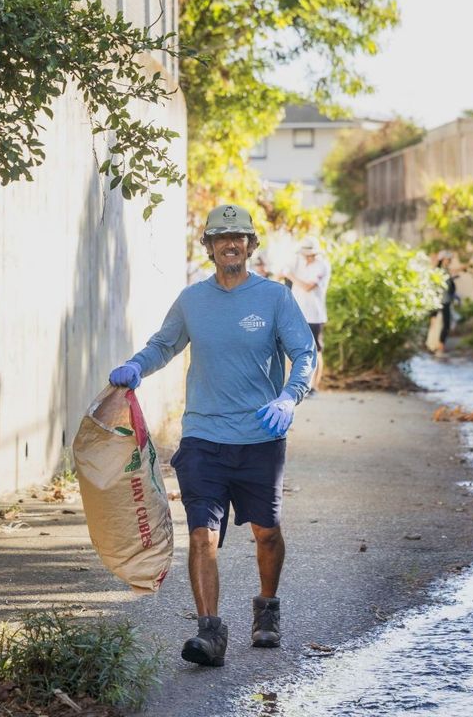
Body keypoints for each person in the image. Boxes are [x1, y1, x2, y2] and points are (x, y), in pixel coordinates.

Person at [108, 204, 315, 668]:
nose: (231, 244)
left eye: (239, 237)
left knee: (267, 533)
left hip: (261, 435)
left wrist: (289, 397)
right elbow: (165, 344)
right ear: (208, 247)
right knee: (202, 535)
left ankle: (267, 608)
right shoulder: (191, 301)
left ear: (251, 245)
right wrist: (139, 365)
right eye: (221, 238)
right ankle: (210, 631)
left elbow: (304, 352)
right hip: (203, 435)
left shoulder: (275, 299)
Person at [283, 236, 331, 393]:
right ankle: (292, 382)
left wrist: (290, 276)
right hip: (296, 313)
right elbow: (280, 272)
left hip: (315, 315)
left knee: (316, 350)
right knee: (291, 348)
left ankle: (314, 386)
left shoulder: (322, 265)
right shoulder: (298, 262)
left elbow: (308, 286)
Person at [434, 251, 458, 357]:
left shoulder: (445, 271)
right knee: (443, 324)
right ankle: (439, 347)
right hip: (441, 302)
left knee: (446, 324)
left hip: (446, 301)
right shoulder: (439, 272)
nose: (449, 262)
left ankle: (440, 345)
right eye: (448, 259)